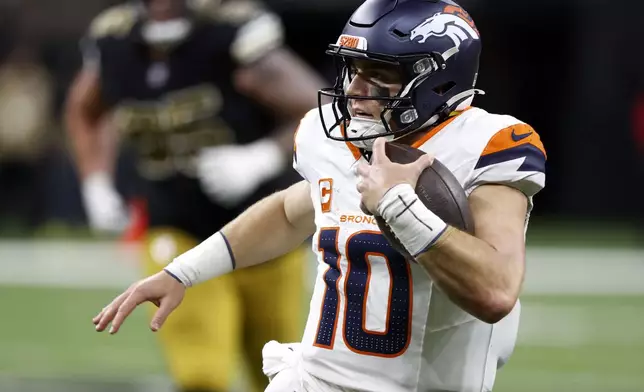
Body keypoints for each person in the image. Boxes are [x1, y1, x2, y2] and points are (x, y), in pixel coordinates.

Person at [92, 0, 547, 391]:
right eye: (353, 70)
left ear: (439, 78)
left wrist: (397, 206)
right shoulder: (329, 136)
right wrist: (183, 272)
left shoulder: (488, 143)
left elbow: (495, 290)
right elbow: (292, 213)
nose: (355, 90)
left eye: (380, 73)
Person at [65, 0, 326, 391]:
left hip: (263, 230)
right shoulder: (114, 40)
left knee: (280, 374)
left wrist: (260, 157)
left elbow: (315, 109)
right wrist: (95, 182)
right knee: (200, 376)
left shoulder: (232, 36)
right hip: (175, 223)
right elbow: (84, 111)